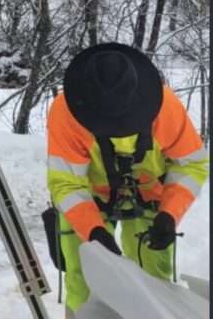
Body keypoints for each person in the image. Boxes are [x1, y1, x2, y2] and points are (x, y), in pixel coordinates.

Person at [47, 42, 209, 318]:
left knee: (153, 278)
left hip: (151, 197)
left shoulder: (167, 108)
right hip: (88, 201)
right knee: (85, 278)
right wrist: (94, 232)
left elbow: (191, 164)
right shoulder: (66, 114)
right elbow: (67, 184)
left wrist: (169, 215)